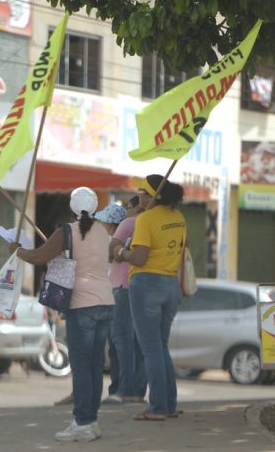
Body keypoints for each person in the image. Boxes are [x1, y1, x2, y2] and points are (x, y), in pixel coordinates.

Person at [11, 187, 114, 442]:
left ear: (71, 207)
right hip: (106, 302)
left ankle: (81, 423)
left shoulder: (68, 230)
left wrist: (17, 250)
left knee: (81, 367)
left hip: (81, 304)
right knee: (93, 366)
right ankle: (91, 421)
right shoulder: (102, 230)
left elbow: (38, 256)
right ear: (94, 208)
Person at [114, 175, 186, 421]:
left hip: (147, 284)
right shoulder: (178, 218)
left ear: (156, 195)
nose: (141, 196)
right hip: (170, 284)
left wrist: (120, 251)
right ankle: (169, 404)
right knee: (161, 348)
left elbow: (139, 258)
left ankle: (157, 407)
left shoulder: (144, 219)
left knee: (152, 350)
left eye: (144, 192)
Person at [104, 195, 148, 404]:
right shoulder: (152, 223)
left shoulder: (128, 223)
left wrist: (119, 250)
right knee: (140, 342)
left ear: (136, 206)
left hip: (122, 286)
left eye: (128, 206)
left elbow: (110, 252)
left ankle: (125, 389)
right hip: (143, 287)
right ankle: (138, 391)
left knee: (121, 339)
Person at [93, 203, 127, 403]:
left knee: (114, 346)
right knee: (114, 347)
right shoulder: (112, 241)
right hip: (109, 295)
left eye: (104, 221)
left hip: (109, 296)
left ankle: (118, 388)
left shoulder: (108, 242)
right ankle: (116, 387)